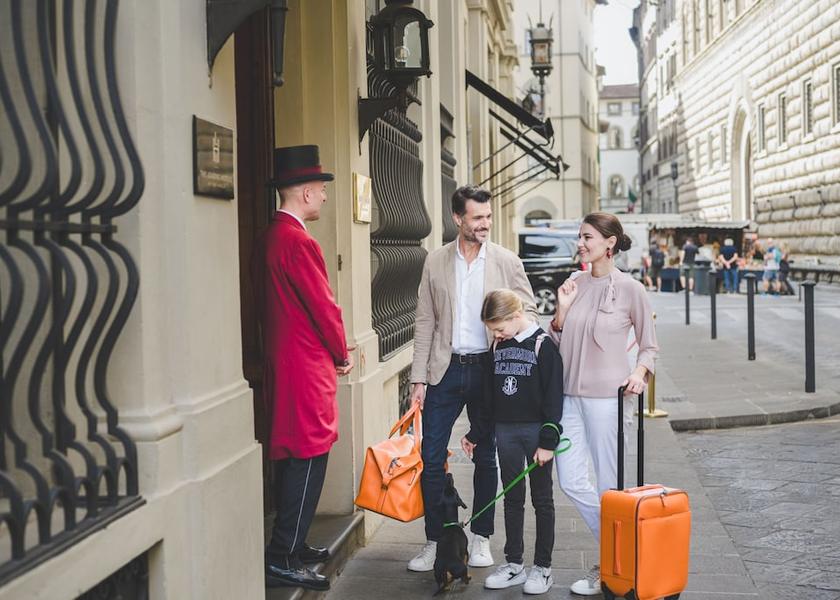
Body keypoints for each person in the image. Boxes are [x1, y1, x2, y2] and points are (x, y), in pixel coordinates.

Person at [408, 185, 538, 573]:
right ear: (458, 219)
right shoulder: (435, 261)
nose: (485, 224)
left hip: (489, 369)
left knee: (486, 455)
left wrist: (510, 337)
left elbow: (529, 310)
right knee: (431, 457)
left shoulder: (506, 261)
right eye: (477, 217)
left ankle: (481, 537)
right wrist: (418, 379)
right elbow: (424, 321)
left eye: (488, 216)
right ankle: (436, 539)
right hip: (444, 369)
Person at [253, 145, 355, 592]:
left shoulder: (270, 236)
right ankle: (282, 555)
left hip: (285, 360)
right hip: (305, 364)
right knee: (308, 456)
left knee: (300, 456)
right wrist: (341, 352)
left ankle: (292, 544)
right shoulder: (298, 241)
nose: (326, 197)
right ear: (307, 192)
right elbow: (323, 307)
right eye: (322, 189)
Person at [548, 212, 658, 596]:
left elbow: (649, 346)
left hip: (608, 400)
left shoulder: (631, 289)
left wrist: (639, 373)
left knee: (610, 487)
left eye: (588, 237)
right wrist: (561, 311)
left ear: (610, 243)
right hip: (568, 399)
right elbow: (556, 341)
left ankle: (612, 565)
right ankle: (622, 546)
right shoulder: (573, 284)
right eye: (580, 236)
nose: (580, 243)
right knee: (570, 479)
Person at [461, 289, 564, 595]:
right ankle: (514, 563)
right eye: (492, 330)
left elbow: (554, 399)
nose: (496, 334)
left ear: (516, 315)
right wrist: (476, 433)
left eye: (499, 327)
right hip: (505, 433)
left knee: (542, 500)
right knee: (512, 498)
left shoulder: (543, 345)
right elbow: (489, 399)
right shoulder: (498, 347)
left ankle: (543, 568)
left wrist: (548, 441)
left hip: (535, 434)